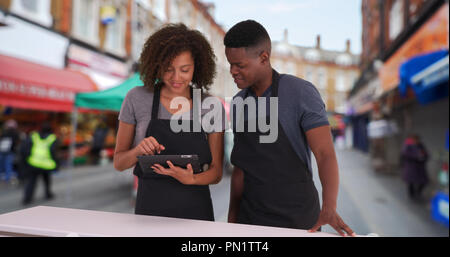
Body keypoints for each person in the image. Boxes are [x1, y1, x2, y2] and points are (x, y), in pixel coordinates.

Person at [224, 20, 355, 236]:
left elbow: (325, 154)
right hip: (250, 219)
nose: (233, 71)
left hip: (298, 220)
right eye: (230, 64)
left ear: (264, 58)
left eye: (240, 65)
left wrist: (329, 207)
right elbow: (240, 170)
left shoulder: (300, 93)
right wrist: (232, 221)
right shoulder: (239, 102)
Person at [114, 23, 226, 221]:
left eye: (184, 70)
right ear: (157, 66)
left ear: (196, 67)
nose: (176, 78)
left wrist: (192, 178)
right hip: (149, 213)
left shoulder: (210, 105)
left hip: (195, 212)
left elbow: (216, 172)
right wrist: (138, 150)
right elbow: (119, 163)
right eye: (168, 69)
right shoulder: (136, 98)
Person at [21, 122, 59, 205]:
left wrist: (26, 159)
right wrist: (56, 164)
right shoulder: (52, 138)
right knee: (47, 180)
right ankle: (48, 194)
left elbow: (26, 147)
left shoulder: (34, 136)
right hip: (46, 164)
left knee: (31, 181)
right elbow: (53, 152)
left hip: (34, 162)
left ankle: (27, 198)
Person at [400, 134, 429, 201]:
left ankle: (418, 192)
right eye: (415, 139)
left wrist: (424, 157)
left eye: (418, 139)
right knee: (411, 182)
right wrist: (416, 157)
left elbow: (426, 154)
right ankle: (412, 195)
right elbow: (405, 154)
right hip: (411, 167)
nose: (417, 141)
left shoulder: (421, 146)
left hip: (420, 167)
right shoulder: (408, 145)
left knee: (424, 182)